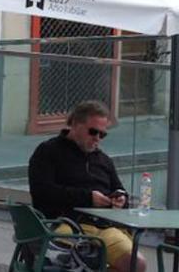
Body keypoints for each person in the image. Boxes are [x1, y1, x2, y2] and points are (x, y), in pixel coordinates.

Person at [28, 100, 147, 272]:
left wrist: (120, 199)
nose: (97, 138)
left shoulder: (103, 160)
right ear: (75, 124)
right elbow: (42, 192)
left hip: (104, 227)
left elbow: (120, 191)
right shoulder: (48, 152)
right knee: (66, 262)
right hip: (64, 224)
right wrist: (88, 197)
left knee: (136, 264)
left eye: (102, 134)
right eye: (93, 132)